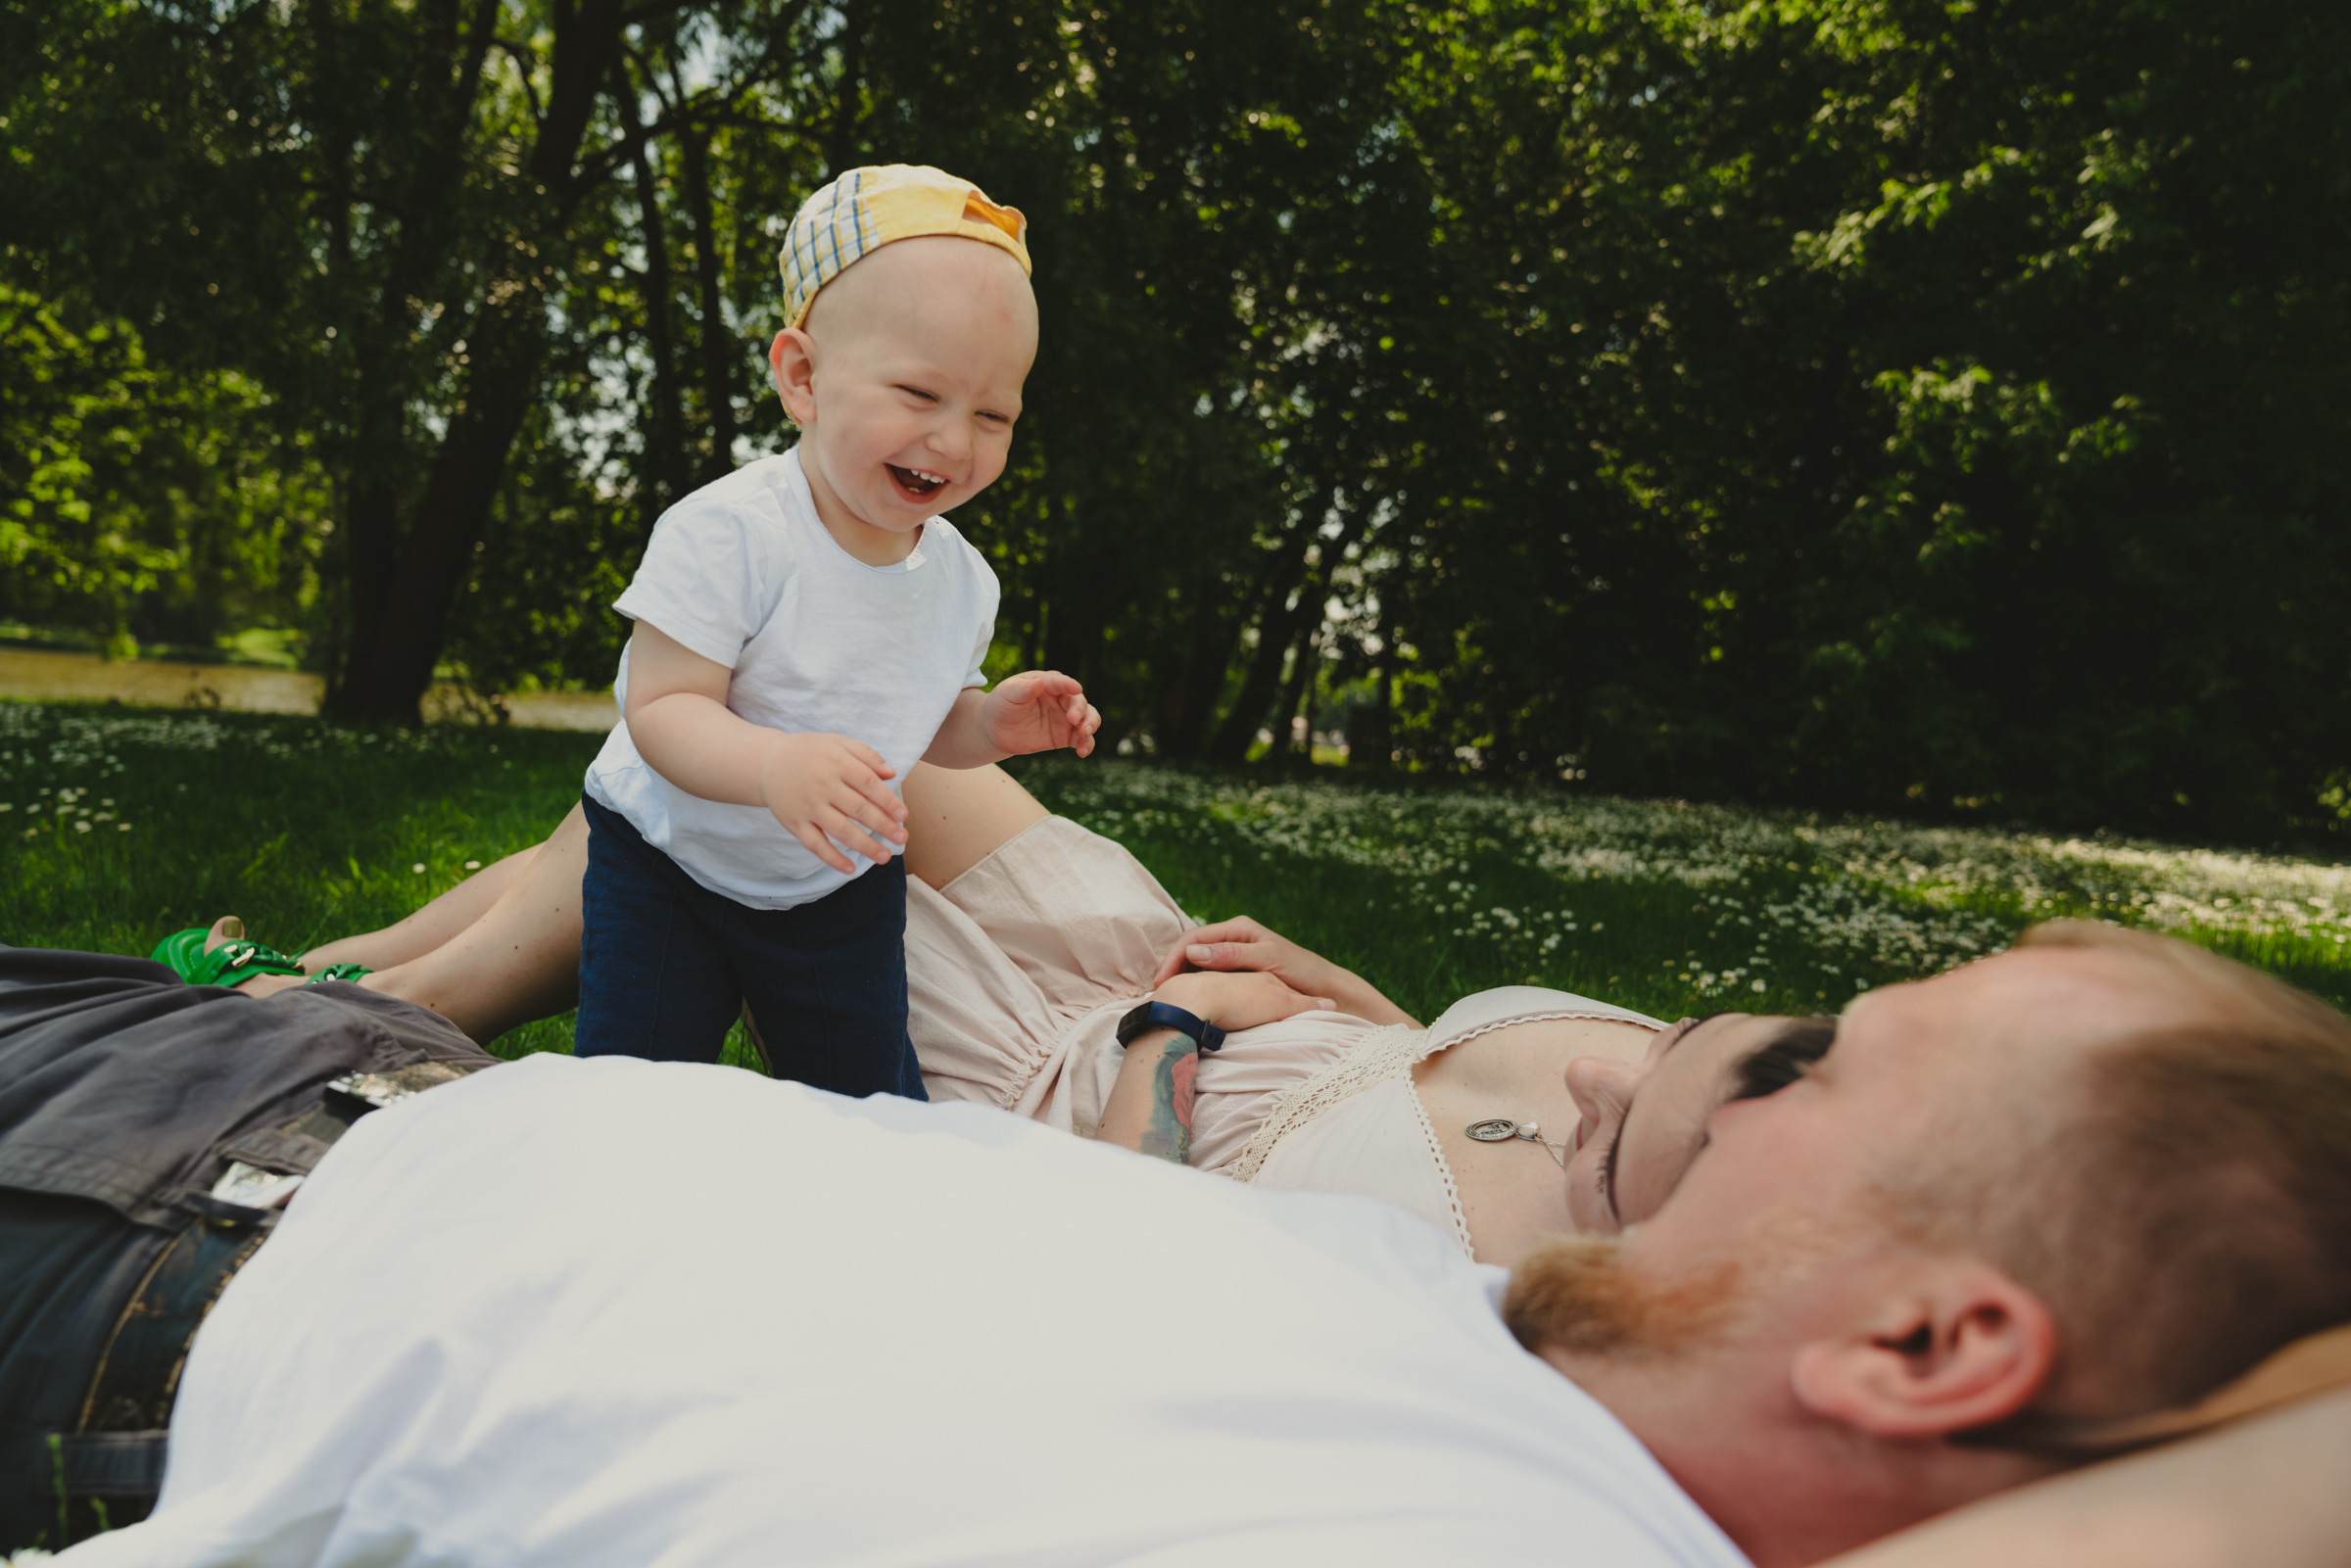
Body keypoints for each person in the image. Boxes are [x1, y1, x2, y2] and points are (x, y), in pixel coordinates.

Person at [37, 917, 2351, 1567]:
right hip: (288, 1092)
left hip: (148, 1273)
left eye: (1832, 1065)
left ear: (1933, 1345)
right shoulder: (1507, 1352)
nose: (1706, 1078)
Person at [244, 762, 1833, 1266]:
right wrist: (1331, 985)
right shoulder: (1700, 1075)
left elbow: (1125, 1254)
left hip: (1048, 1085)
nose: (1596, 1078)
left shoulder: (1518, 1299)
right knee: (783, 730)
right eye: (1664, 1046)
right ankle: (344, 962)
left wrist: (1177, 1035)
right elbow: (1433, 1059)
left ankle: (340, 1001)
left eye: (1627, 1131)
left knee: (727, 818)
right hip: (1133, 948)